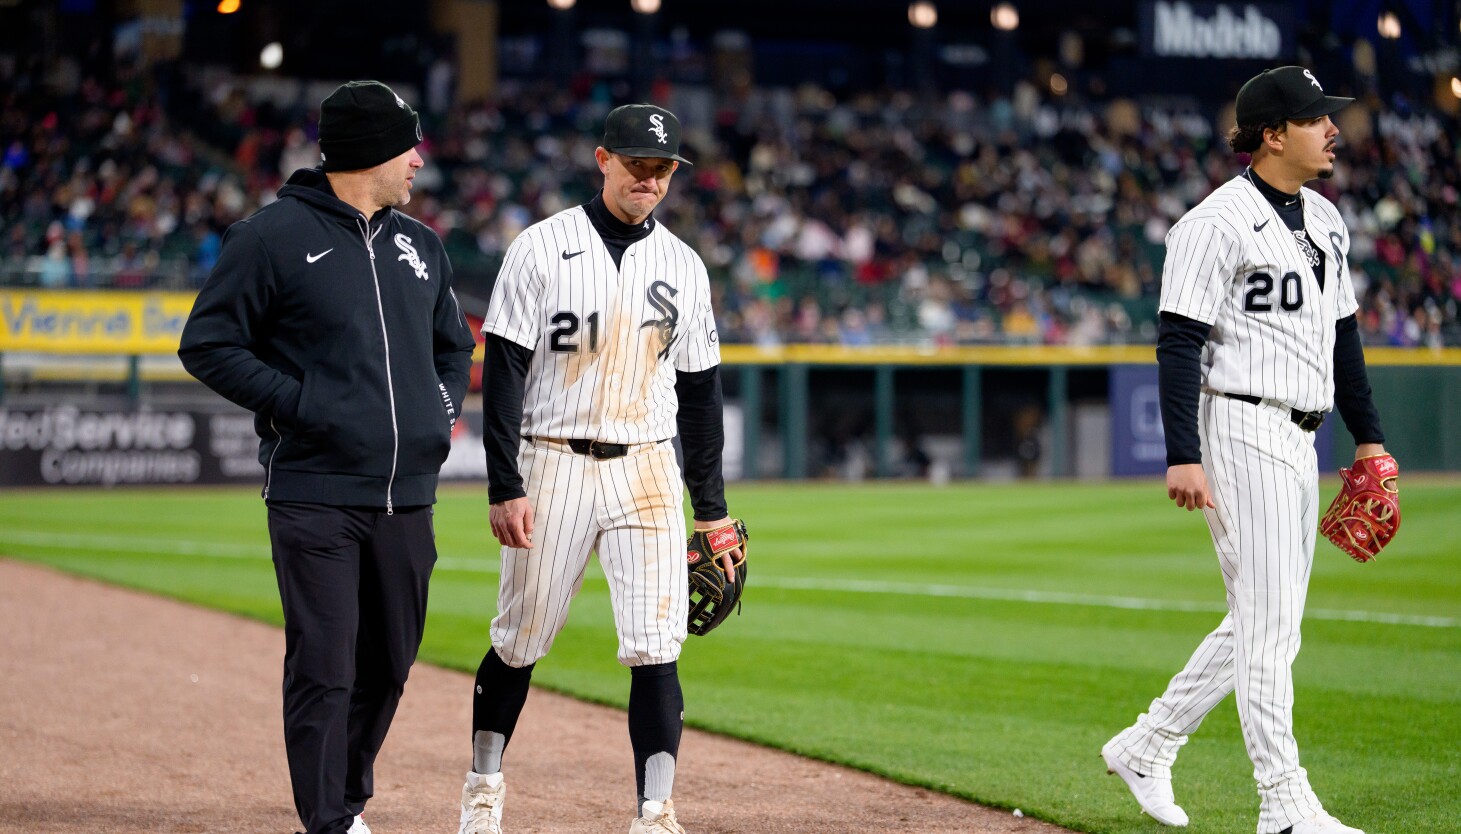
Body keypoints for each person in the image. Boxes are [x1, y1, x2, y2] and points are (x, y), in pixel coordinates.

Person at [179, 80, 476, 834]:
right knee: (325, 664)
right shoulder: (269, 236)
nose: (417, 160)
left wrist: (438, 411)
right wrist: (306, 404)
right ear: (369, 150)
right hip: (314, 490)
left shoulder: (422, 244)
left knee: (389, 666)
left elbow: (454, 348)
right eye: (407, 144)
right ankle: (328, 820)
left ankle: (345, 797)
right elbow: (208, 344)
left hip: (407, 494)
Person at [1100, 67, 1389, 834]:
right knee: (1267, 627)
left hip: (1304, 435)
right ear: (1271, 134)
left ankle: (1147, 743)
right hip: (1238, 425)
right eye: (1314, 118)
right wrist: (1181, 452)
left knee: (1266, 623)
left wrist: (1370, 439)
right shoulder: (1212, 223)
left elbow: (1344, 338)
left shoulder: (1325, 218)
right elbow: (1177, 342)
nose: (1332, 129)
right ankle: (1283, 806)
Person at [458, 103, 740, 834]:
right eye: (636, 163)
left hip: (644, 468)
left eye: (662, 168)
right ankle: (483, 787)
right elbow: (504, 372)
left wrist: (709, 507)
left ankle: (655, 811)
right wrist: (504, 483)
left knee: (656, 645)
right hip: (550, 461)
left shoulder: (682, 264)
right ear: (603, 159)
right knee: (520, 639)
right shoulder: (541, 247)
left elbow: (702, 393)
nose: (649, 178)